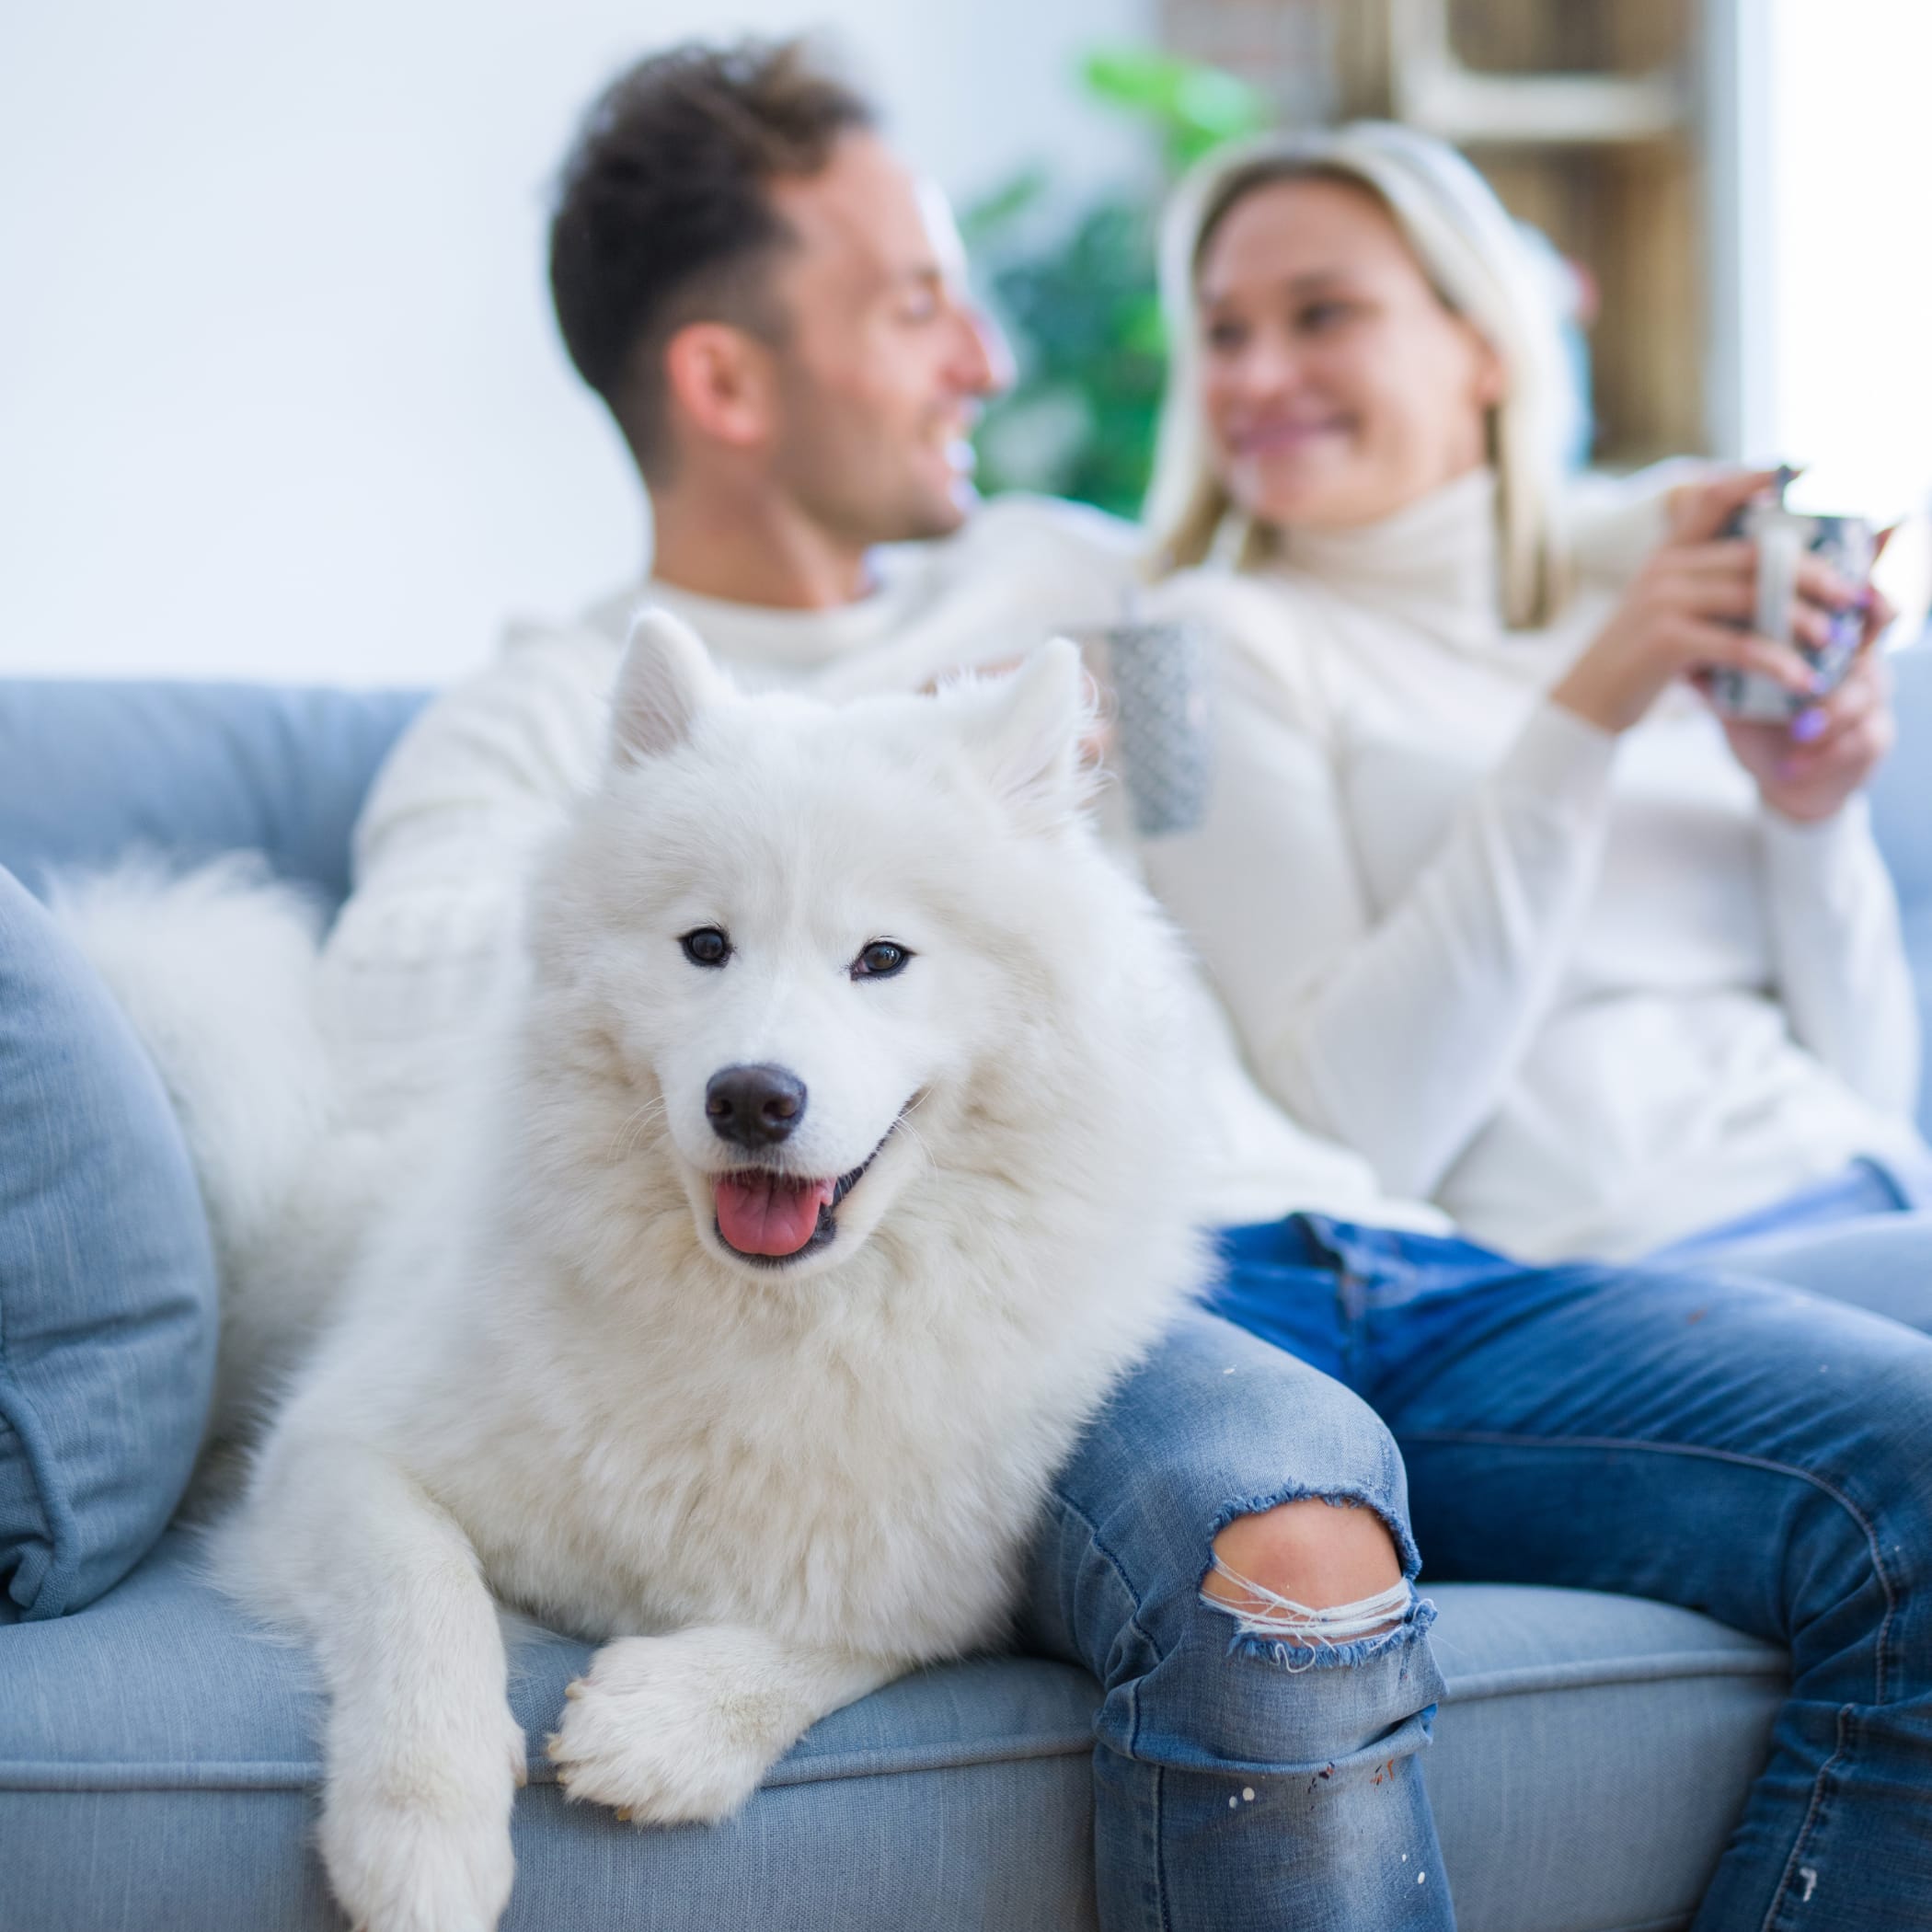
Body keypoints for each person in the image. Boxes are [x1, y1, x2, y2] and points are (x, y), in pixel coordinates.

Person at [318, 46, 1932, 1929]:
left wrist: (1704, 549)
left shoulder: (1075, 589)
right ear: (725, 378)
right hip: (1100, 1303)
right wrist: (716, 861)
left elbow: (1410, 524)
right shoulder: (550, 715)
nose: (991, 363)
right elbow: (399, 1001)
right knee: (1288, 1574)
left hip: (1387, 1242)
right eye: (920, 305)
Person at [1134, 121, 1932, 1289]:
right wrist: (1586, 718)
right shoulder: (1193, 657)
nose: (1254, 378)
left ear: (1486, 348)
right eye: (1221, 333)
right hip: (1615, 1277)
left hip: (1870, 1196)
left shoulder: (1642, 583)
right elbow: (1357, 1130)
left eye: (1321, 315)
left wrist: (1809, 816)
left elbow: (1864, 1094)